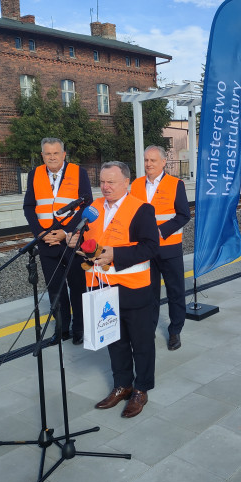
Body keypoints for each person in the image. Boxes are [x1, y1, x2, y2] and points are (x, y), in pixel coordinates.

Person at [69, 161, 159, 418]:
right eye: (102, 181)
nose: (105, 187)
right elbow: (85, 240)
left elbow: (151, 247)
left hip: (133, 287)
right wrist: (74, 241)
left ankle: (141, 388)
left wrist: (116, 255)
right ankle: (123, 385)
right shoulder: (92, 209)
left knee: (141, 342)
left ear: (126, 183)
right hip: (101, 286)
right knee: (114, 340)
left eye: (111, 182)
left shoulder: (142, 210)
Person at [23, 137, 92, 345]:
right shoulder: (35, 174)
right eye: (47, 154)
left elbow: (86, 206)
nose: (52, 157)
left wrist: (66, 232)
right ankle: (62, 329)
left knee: (78, 287)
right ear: (42, 155)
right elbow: (29, 207)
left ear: (64, 154)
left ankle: (79, 329)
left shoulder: (79, 172)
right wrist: (40, 234)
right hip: (46, 243)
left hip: (72, 241)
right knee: (55, 289)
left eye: (56, 153)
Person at [130, 145, 190, 351]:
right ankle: (149, 328)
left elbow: (184, 215)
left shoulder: (176, 184)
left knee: (175, 291)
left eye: (153, 161)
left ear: (164, 162)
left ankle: (175, 330)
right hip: (145, 251)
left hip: (169, 248)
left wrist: (160, 230)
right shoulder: (136, 185)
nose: (148, 164)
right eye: (146, 160)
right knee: (149, 293)